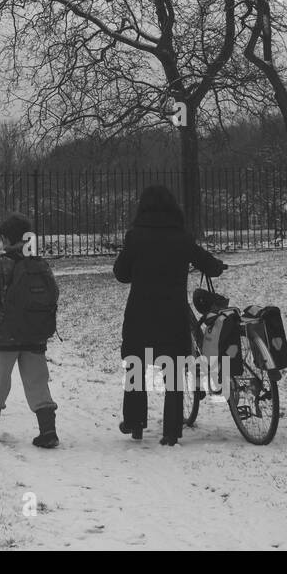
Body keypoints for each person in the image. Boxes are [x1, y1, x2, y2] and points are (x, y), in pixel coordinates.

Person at [113, 185, 225, 446]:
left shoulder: (135, 237)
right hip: (172, 313)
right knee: (173, 371)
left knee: (135, 365)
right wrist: (217, 266)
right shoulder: (182, 238)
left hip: (140, 312)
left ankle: (134, 422)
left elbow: (121, 273)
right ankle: (172, 431)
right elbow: (209, 264)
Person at [0, 213, 61, 448]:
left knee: (1, 378)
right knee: (38, 380)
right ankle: (48, 430)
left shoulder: (3, 263)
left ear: (5, 238)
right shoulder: (40, 263)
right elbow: (53, 293)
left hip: (7, 333)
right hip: (35, 333)